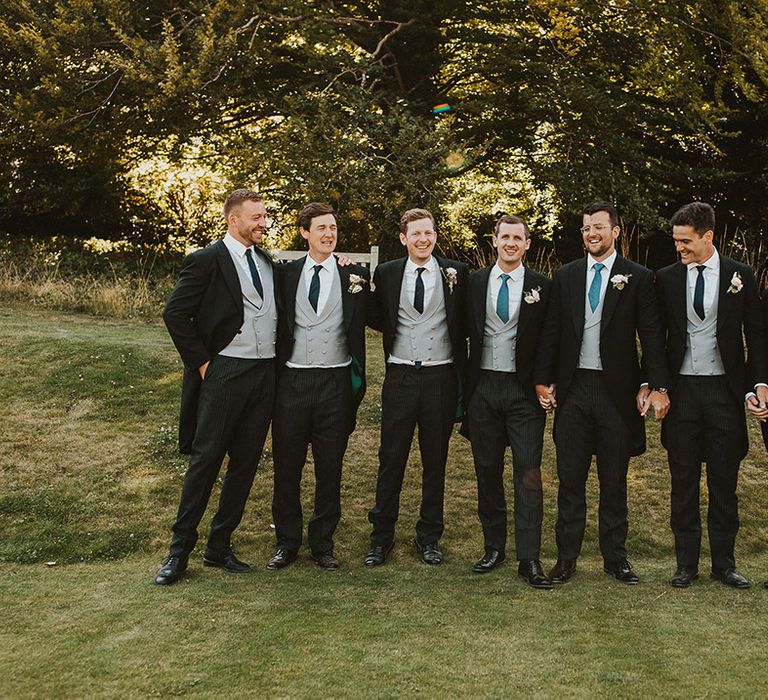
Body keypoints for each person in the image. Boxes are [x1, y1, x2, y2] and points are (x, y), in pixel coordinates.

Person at [534, 201, 669, 585]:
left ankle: (616, 559)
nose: (592, 233)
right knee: (570, 481)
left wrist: (653, 383)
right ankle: (566, 559)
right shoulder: (566, 275)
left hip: (617, 393)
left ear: (615, 232)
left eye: (598, 227)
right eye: (586, 228)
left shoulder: (638, 276)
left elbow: (652, 337)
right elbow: (552, 332)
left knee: (614, 481)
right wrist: (543, 380)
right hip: (575, 389)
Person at [155, 189, 278, 585]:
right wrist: (205, 363)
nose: (263, 223)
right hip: (224, 372)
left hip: (264, 374)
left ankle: (219, 546)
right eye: (256, 217)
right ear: (233, 219)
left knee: (245, 462)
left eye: (264, 217)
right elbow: (175, 313)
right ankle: (178, 553)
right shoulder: (206, 260)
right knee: (206, 461)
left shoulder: (266, 261)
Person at [655, 202, 768, 589]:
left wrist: (758, 385)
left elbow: (756, 335)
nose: (679, 249)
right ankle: (685, 564)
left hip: (725, 391)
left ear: (708, 237)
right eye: (676, 241)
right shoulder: (667, 277)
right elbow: (656, 340)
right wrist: (657, 386)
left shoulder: (741, 275)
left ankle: (725, 564)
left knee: (724, 481)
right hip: (683, 391)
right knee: (682, 481)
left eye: (686, 241)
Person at [267, 203, 369, 571]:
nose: (330, 233)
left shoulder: (355, 276)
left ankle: (323, 543)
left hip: (335, 383)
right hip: (292, 382)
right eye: (322, 228)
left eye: (334, 228)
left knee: (330, 468)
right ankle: (287, 542)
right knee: (287, 467)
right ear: (304, 232)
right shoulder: (285, 274)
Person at [363, 208, 468, 566]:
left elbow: (465, 320)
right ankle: (381, 538)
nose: (424, 239)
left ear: (435, 235)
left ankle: (429, 537)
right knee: (391, 458)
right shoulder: (388, 273)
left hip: (440, 376)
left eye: (429, 232)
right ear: (404, 238)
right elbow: (376, 313)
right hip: (401, 376)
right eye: (417, 234)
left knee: (434, 461)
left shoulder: (456, 272)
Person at [461, 215, 553, 588]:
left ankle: (529, 558)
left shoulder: (542, 286)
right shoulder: (474, 282)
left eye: (518, 238)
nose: (511, 243)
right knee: (487, 470)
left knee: (528, 473)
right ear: (495, 241)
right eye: (505, 237)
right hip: (483, 387)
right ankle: (493, 547)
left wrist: (545, 383)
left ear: (528, 244)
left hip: (523, 392)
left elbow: (551, 338)